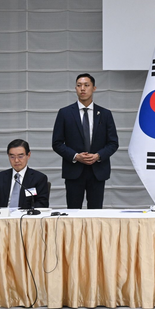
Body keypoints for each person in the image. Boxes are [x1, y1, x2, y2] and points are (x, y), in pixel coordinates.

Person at [52, 73, 119, 209]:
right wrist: (76, 156)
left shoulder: (105, 114)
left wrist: (98, 156)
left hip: (97, 171)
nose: (82, 89)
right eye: (79, 85)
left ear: (94, 88)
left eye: (86, 85)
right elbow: (57, 143)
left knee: (95, 212)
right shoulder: (65, 113)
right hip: (74, 170)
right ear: (75, 88)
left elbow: (113, 143)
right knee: (73, 212)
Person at [0, 139, 50, 209]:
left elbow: (42, 204)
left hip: (26, 215)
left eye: (20, 156)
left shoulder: (39, 178)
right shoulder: (0, 177)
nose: (16, 160)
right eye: (12, 157)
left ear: (28, 155)